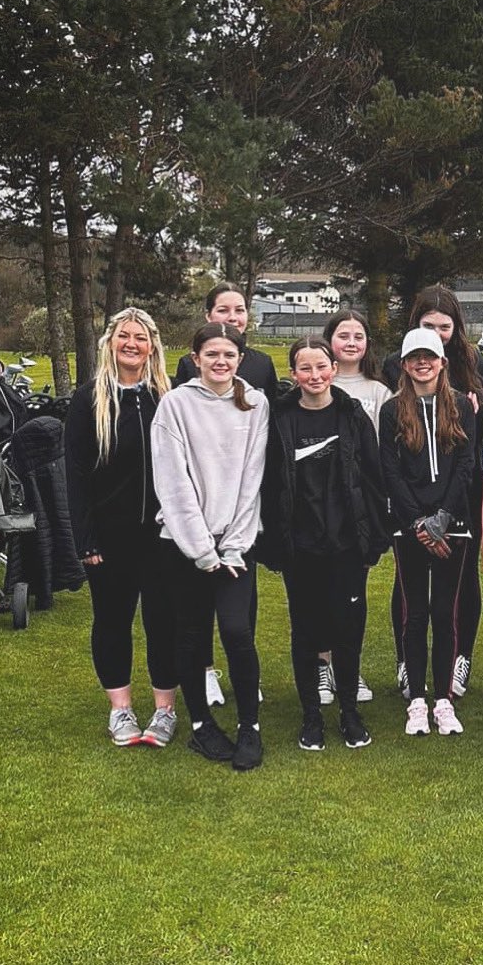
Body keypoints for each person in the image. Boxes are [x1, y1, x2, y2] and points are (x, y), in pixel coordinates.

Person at [258, 337, 389, 752]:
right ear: (293, 373)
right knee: (306, 631)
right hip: (300, 547)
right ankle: (311, 715)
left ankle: (349, 711)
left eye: (321, 367)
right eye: (305, 369)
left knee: (349, 630)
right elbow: (268, 483)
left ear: (333, 368)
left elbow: (373, 477)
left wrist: (373, 537)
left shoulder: (352, 416)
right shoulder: (279, 419)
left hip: (347, 545)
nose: (314, 376)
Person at [151, 322, 269, 771]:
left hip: (237, 544)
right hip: (185, 545)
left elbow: (251, 479)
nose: (221, 362)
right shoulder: (175, 405)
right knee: (192, 633)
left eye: (230, 354)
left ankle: (249, 727)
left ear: (240, 358)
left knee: (238, 632)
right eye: (212, 354)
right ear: (195, 357)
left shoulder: (254, 404)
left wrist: (234, 546)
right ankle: (201, 725)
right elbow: (173, 482)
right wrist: (201, 550)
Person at [64, 307, 176, 747]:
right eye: (123, 336)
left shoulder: (167, 397)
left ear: (153, 346)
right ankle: (121, 709)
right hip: (108, 538)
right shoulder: (90, 399)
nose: (132, 344)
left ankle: (165, 710)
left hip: (162, 537)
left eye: (141, 337)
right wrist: (84, 536)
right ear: (110, 343)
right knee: (112, 619)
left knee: (162, 621)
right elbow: (74, 473)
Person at [383, 285, 483, 699]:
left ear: (456, 328)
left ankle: (458, 658)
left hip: (461, 493)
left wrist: (446, 513)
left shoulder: (477, 366)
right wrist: (417, 518)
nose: (437, 331)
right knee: (408, 584)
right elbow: (393, 443)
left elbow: (475, 444)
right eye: (428, 325)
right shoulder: (397, 377)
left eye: (444, 326)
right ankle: (406, 662)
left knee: (462, 580)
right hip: (412, 499)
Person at [173, 283, 277, 709]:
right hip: (200, 502)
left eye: (238, 310)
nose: (231, 317)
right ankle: (205, 671)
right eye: (223, 310)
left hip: (243, 504)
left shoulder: (263, 365)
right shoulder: (187, 369)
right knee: (197, 609)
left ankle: (243, 673)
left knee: (241, 600)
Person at [380, 327, 476, 737]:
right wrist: (418, 522)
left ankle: (443, 699)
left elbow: (467, 465)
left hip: (453, 526)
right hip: (410, 528)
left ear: (442, 362)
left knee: (445, 614)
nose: (423, 363)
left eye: (430, 357)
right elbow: (390, 469)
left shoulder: (460, 406)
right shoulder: (391, 410)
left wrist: (442, 517)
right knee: (415, 613)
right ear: (404, 364)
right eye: (415, 357)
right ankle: (417, 698)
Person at [321, 308, 392, 703]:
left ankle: (349, 668)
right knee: (318, 592)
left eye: (358, 336)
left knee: (352, 593)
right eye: (343, 334)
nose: (351, 342)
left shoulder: (379, 392)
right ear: (330, 340)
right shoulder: (314, 382)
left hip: (359, 506)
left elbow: (381, 455)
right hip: (318, 505)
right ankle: (322, 665)